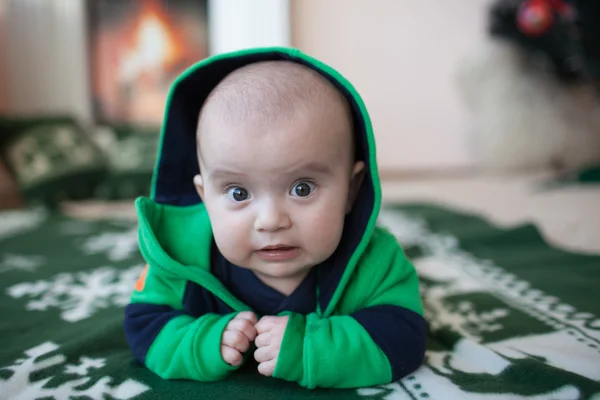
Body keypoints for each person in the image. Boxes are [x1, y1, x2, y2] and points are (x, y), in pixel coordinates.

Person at [124, 47, 426, 389]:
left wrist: (312, 346)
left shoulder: (376, 262)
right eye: (238, 193)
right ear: (204, 197)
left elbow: (404, 336)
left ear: (351, 189)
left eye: (302, 188)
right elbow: (144, 324)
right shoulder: (179, 258)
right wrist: (202, 340)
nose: (270, 221)